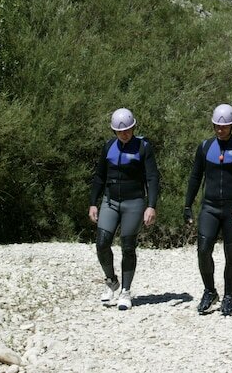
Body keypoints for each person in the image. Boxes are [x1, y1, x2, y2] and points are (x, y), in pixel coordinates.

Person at [184, 103, 232, 317]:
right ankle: (210, 291)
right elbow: (196, 176)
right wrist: (187, 205)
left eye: (223, 126)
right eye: (216, 126)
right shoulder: (205, 147)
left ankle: (228, 297)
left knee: (231, 255)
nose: (219, 130)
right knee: (203, 250)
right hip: (210, 206)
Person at [88, 107, 160, 310]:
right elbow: (100, 176)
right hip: (110, 201)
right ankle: (111, 281)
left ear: (134, 127)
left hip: (134, 202)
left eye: (128, 130)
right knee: (102, 243)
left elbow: (152, 178)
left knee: (128, 246)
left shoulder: (143, 147)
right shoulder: (109, 146)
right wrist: (93, 202)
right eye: (120, 131)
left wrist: (151, 206)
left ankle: (126, 292)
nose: (124, 133)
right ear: (114, 132)